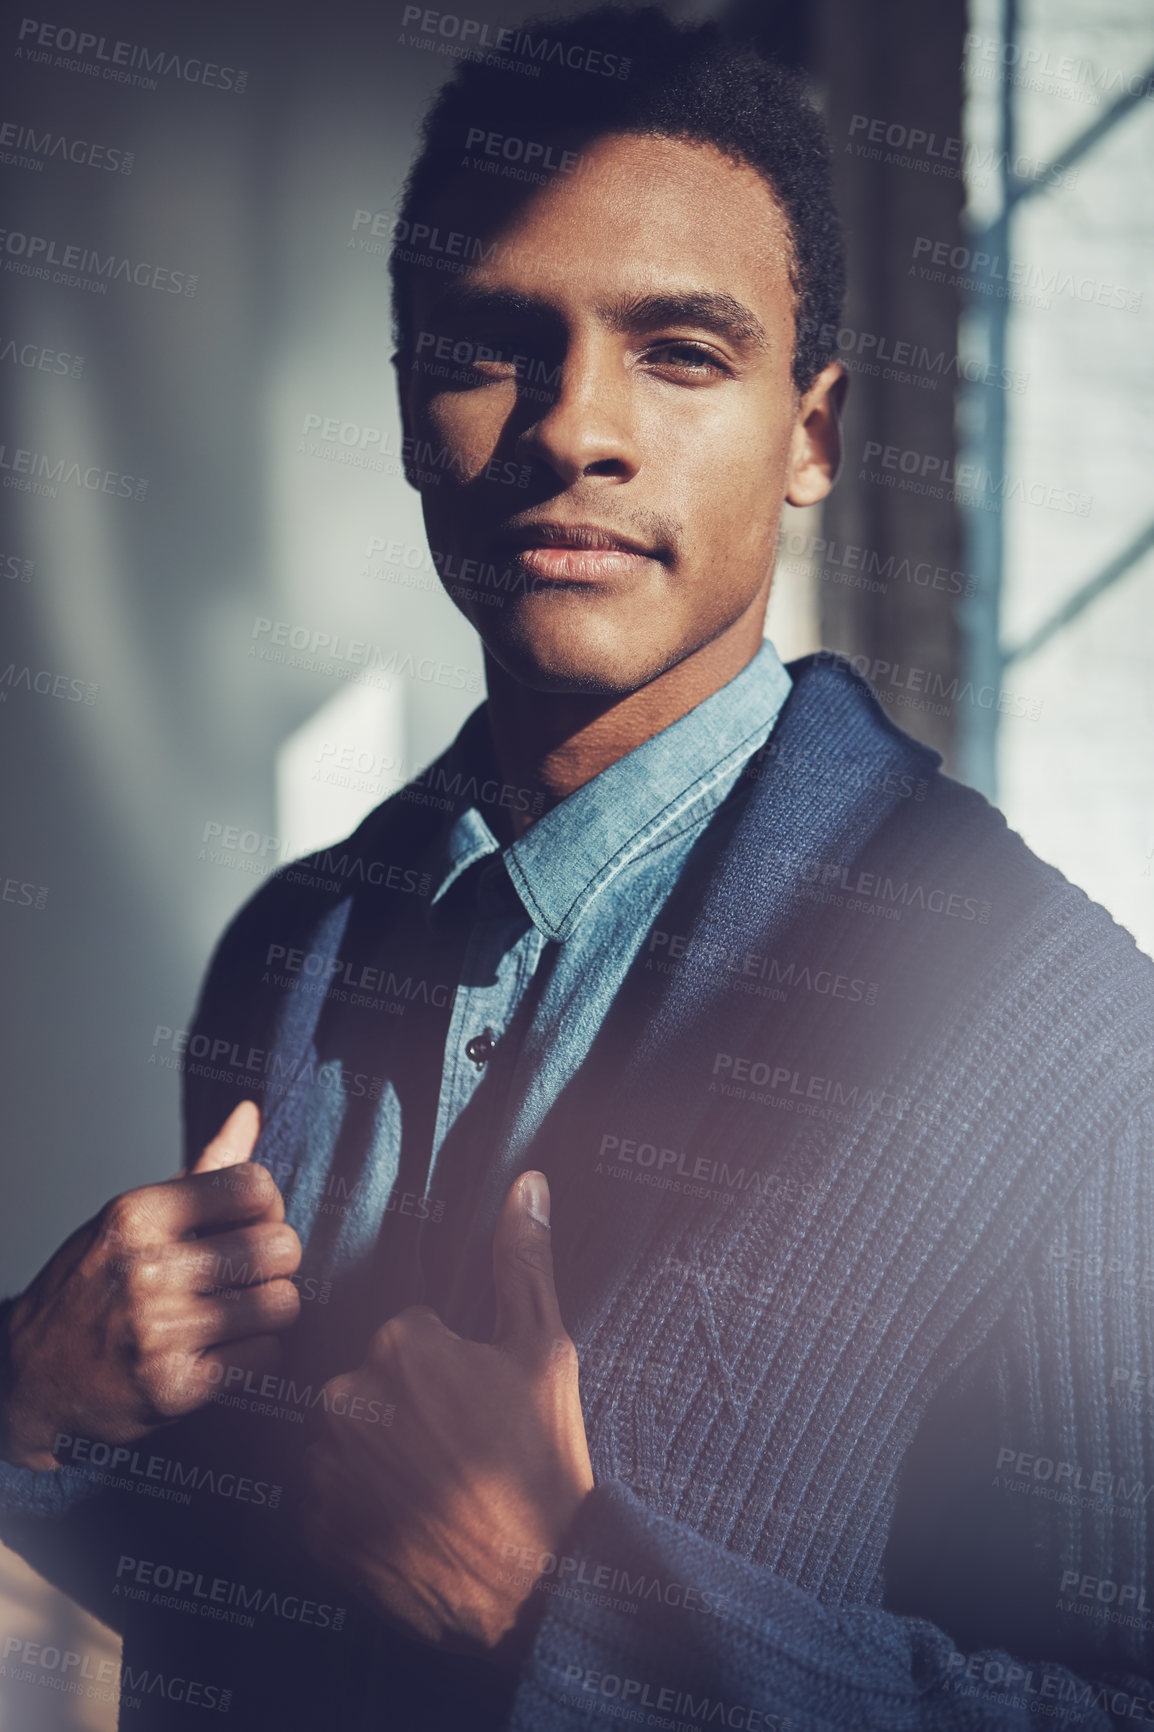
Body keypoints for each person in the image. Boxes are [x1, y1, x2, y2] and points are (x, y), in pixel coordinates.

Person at [2, 8, 1152, 1728]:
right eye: (489, 347)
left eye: (679, 352)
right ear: (407, 413)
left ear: (815, 435)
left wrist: (563, 1603)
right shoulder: (293, 941)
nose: (571, 430)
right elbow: (258, 1591)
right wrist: (36, 1407)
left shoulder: (1061, 1036)